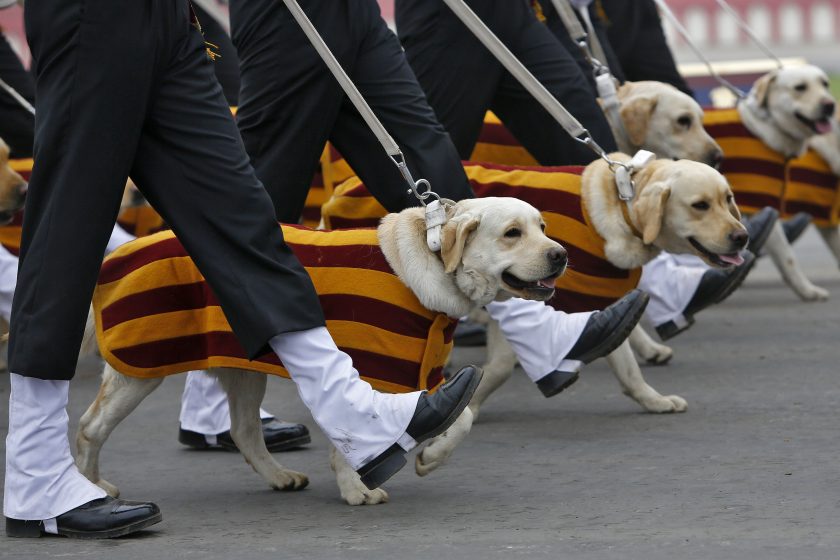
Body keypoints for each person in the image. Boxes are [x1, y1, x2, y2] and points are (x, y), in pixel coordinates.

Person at [4, 0, 480, 539]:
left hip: (170, 21)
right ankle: (37, 471)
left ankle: (352, 412)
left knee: (246, 222)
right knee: (67, 233)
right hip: (94, 14)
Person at [229, 0, 649, 402]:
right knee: (267, 193)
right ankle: (211, 401)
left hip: (358, 10)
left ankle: (534, 327)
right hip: (290, 11)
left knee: (428, 161)